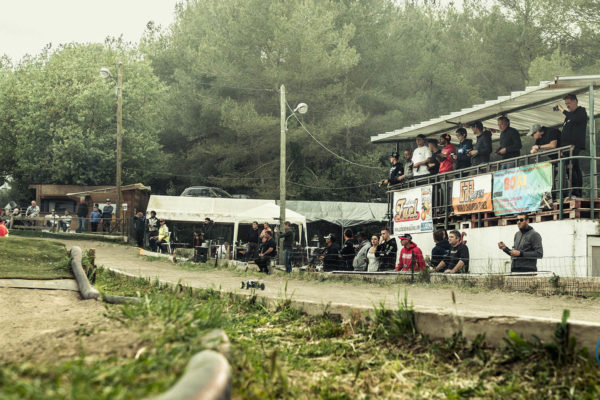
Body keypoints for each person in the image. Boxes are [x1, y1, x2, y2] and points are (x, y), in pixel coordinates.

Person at [555, 93, 587, 197]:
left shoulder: (581, 111)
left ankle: (576, 192)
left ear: (575, 101)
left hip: (574, 145)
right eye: (565, 104)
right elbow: (565, 130)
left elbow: (575, 119)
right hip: (566, 147)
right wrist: (561, 148)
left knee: (572, 167)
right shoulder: (569, 116)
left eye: (568, 103)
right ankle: (575, 191)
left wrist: (562, 111)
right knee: (573, 167)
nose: (567, 105)